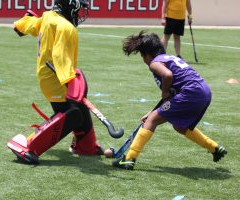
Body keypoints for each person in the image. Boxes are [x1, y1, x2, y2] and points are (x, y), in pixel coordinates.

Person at [112, 30, 227, 170]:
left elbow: (167, 76)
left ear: (147, 55)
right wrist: (152, 110)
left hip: (190, 93)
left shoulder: (155, 63)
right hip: (204, 92)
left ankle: (129, 159)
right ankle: (215, 148)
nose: (144, 61)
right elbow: (171, 96)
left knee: (152, 120)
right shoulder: (169, 58)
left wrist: (163, 92)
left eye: (142, 56)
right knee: (180, 126)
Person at [12, 0, 105, 162]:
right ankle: (27, 145)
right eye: (77, 10)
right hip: (56, 79)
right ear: (69, 6)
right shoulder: (66, 28)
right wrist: (70, 81)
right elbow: (60, 56)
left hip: (47, 75)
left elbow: (33, 24)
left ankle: (87, 147)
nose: (79, 14)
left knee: (80, 109)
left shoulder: (49, 16)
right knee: (72, 114)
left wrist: (21, 24)